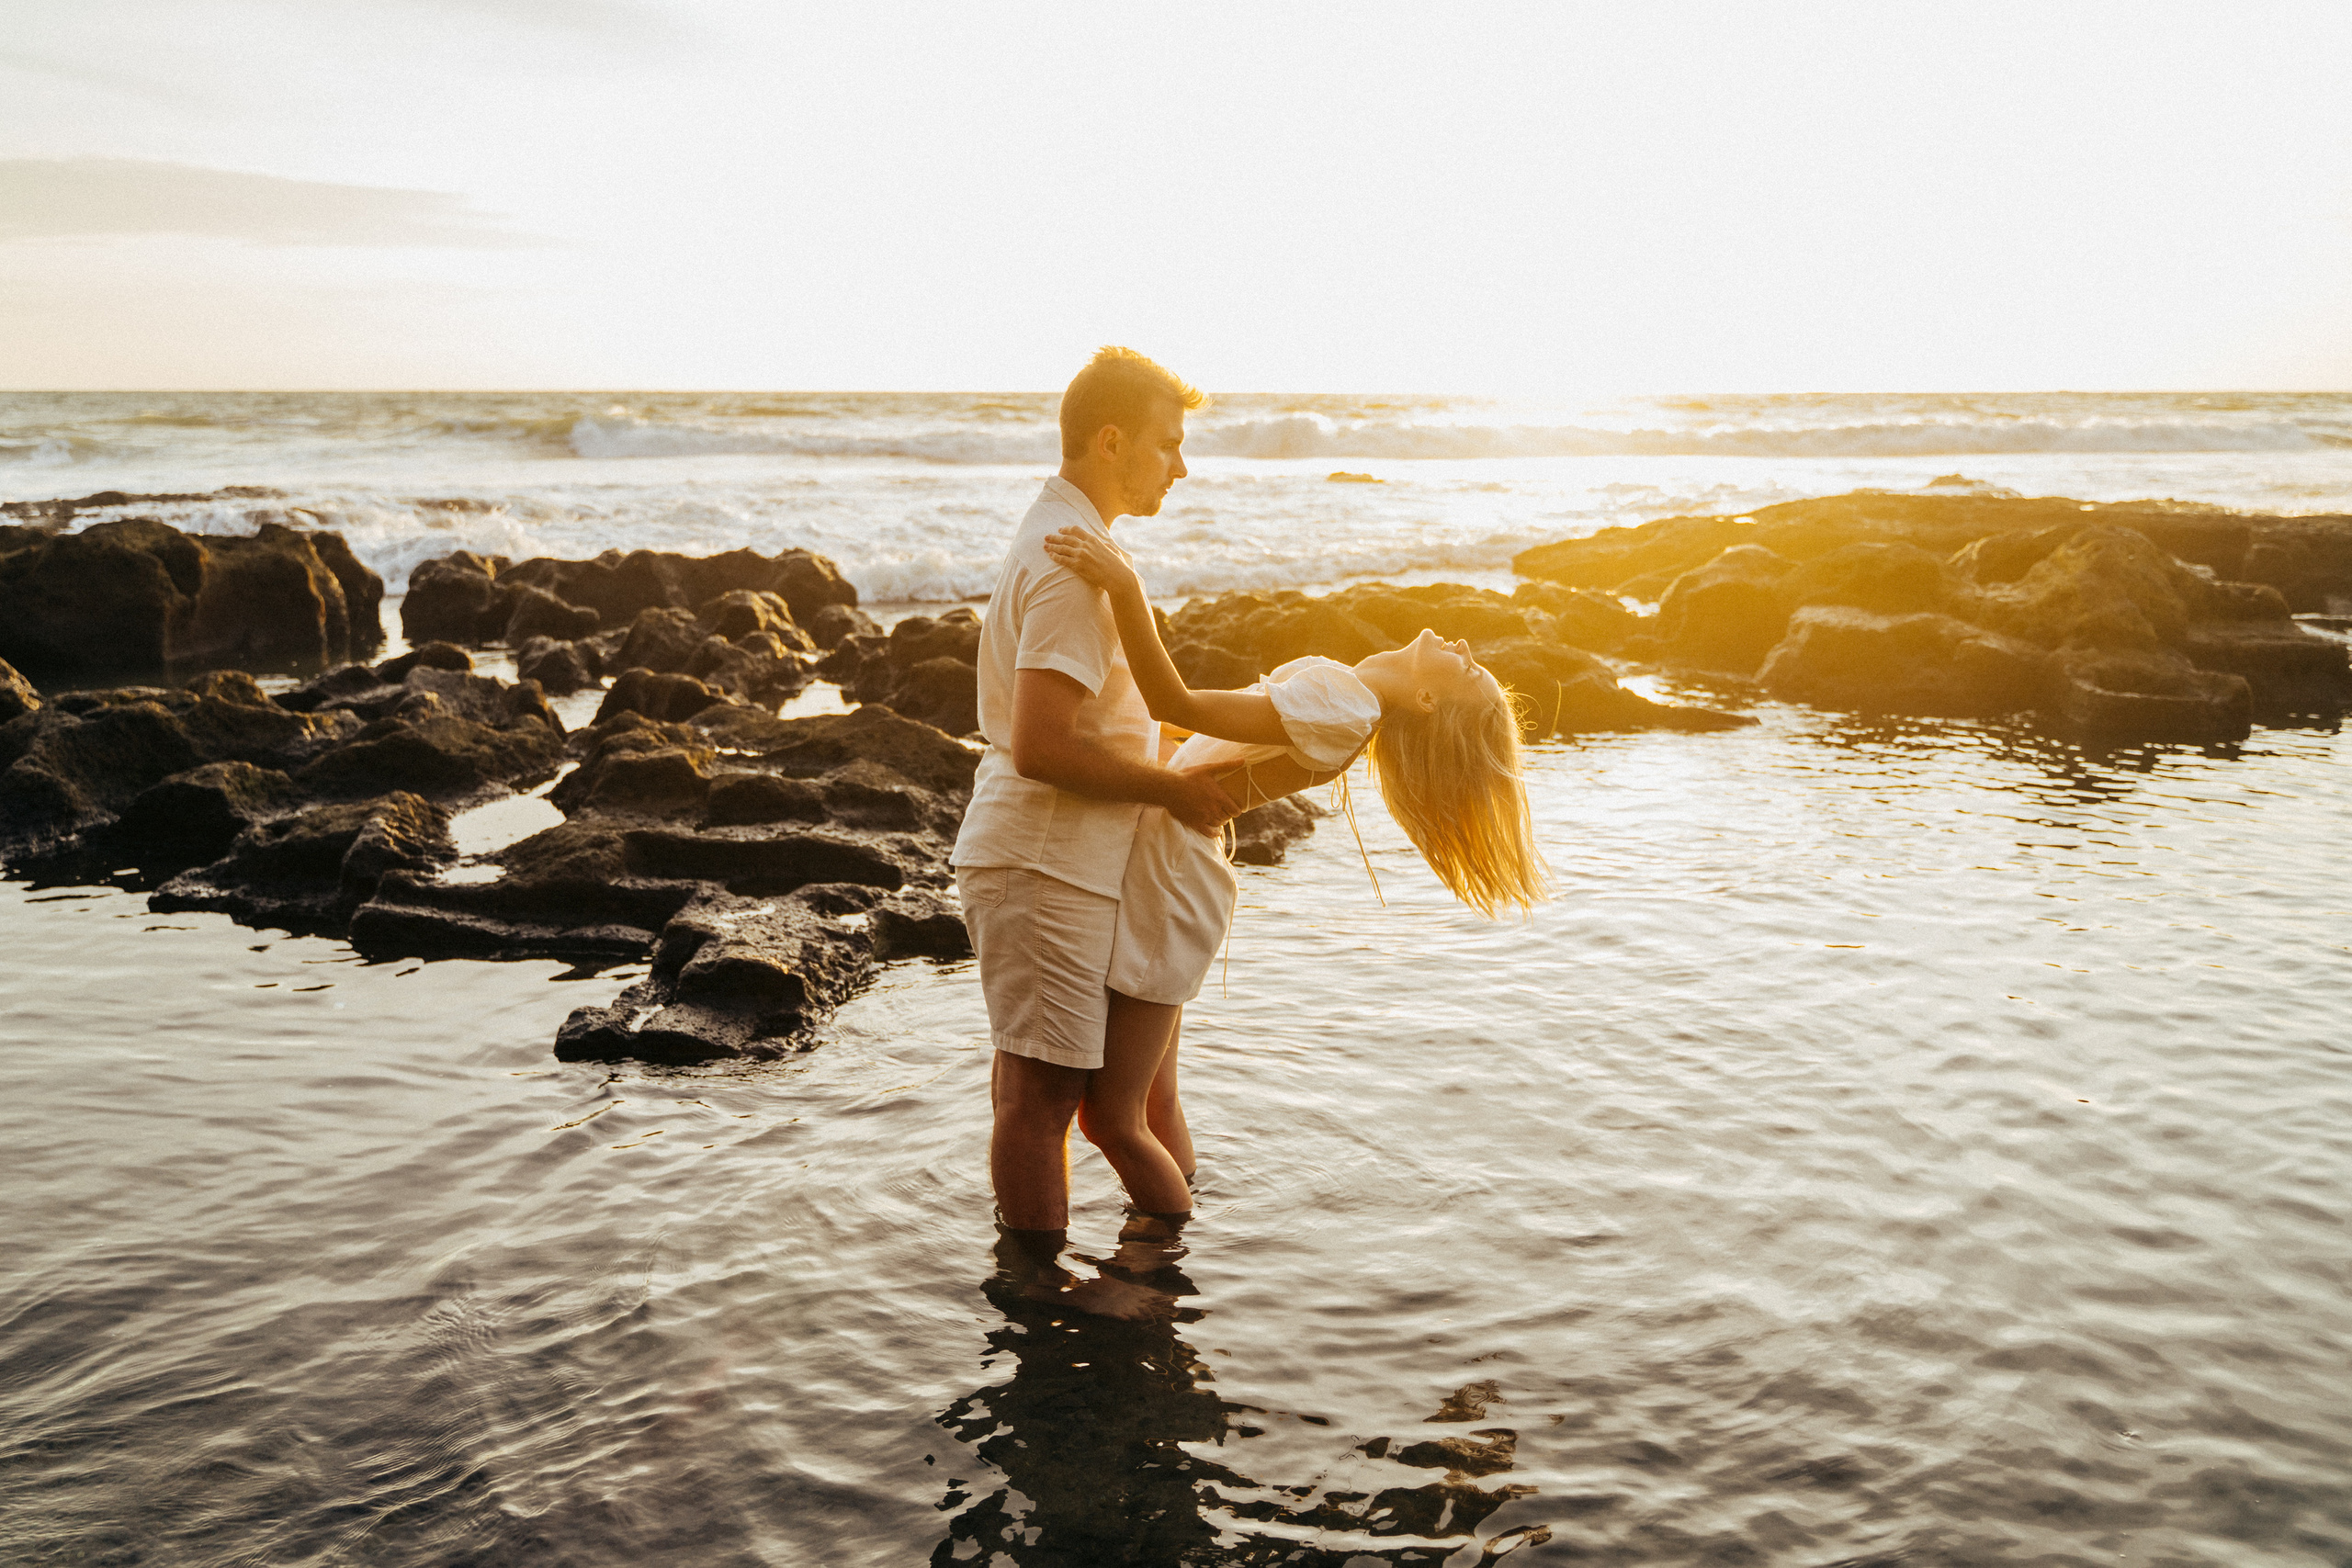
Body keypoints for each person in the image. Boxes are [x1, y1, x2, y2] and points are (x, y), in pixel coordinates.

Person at [1038, 522, 1547, 1228]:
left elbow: (1176, 704)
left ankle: (1163, 1261)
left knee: (1111, 1118)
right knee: (1154, 1105)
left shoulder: (1348, 704)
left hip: (1173, 880)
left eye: (1465, 668)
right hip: (1177, 872)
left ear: (1428, 704)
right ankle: (1180, 1225)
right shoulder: (1349, 699)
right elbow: (1193, 735)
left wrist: (1124, 586)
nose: (1462, 646)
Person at [949, 346, 1240, 1250]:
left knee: (1039, 1093)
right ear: (1111, 440)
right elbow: (1043, 743)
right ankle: (1037, 1314)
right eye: (1167, 444)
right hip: (1043, 858)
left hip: (1052, 857)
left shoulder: (1072, 539)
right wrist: (1173, 790)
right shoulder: (1074, 561)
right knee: (1038, 1103)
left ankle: (1044, 1294)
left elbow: (1104, 718)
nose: (1180, 467)